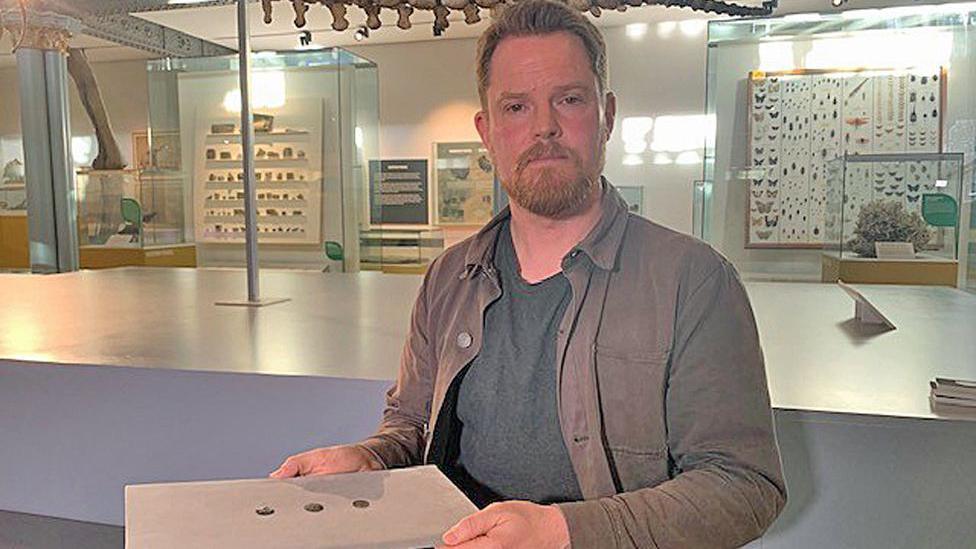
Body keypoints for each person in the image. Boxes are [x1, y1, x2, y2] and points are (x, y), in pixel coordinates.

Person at [271, 1, 786, 546]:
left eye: (568, 99)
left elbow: (744, 485)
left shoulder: (694, 280)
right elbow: (411, 424)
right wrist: (370, 458)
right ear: (487, 131)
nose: (545, 127)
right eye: (516, 107)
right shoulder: (450, 277)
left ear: (606, 115)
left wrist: (567, 531)